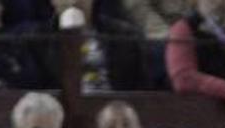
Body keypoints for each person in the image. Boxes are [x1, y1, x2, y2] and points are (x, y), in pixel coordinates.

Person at [20, 0, 148, 92]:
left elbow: (142, 87)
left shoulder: (125, 35)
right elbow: (36, 91)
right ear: (52, 2)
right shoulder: (37, 40)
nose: (73, 2)